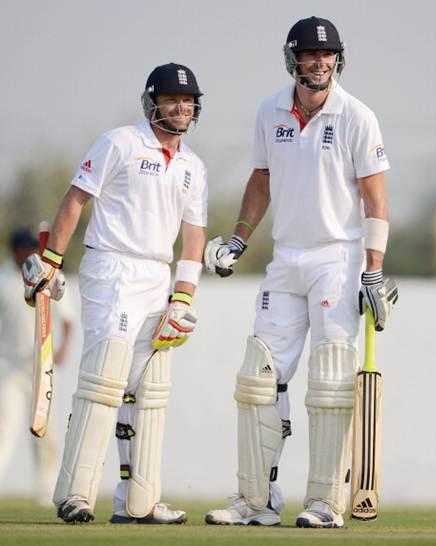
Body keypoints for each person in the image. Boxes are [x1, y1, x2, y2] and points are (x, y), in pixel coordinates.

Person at [204, 17, 398, 528]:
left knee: (332, 383)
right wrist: (239, 239)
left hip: (338, 258)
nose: (320, 62)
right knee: (257, 378)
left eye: (328, 54)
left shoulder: (357, 116)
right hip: (286, 259)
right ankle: (256, 500)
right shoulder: (271, 111)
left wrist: (373, 272)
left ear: (338, 59)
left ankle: (324, 503)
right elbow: (261, 180)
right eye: (310, 55)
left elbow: (376, 200)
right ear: (293, 60)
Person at [22, 63, 207, 524]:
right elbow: (75, 199)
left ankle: (137, 502)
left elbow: (194, 237)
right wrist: (51, 262)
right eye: (171, 100)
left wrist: (183, 297)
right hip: (113, 267)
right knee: (106, 378)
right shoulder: (120, 142)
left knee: (149, 389)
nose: (181, 107)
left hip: (157, 277)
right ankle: (75, 493)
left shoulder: (192, 166)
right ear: (152, 103)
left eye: (187, 101)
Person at [0, 227, 74, 505]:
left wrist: (63, 349)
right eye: (26, 248)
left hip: (42, 366)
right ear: (14, 251)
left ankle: (46, 492)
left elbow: (67, 318)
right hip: (10, 366)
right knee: (3, 427)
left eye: (34, 247)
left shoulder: (48, 275)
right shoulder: (3, 279)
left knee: (46, 432)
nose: (31, 253)